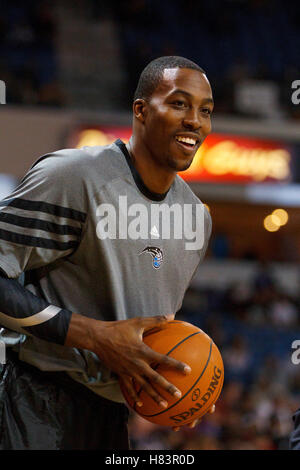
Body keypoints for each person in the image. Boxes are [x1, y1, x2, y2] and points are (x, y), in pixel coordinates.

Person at [0, 55, 214, 449]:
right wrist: (95, 336)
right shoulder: (74, 176)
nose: (194, 121)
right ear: (141, 110)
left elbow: (151, 334)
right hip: (33, 401)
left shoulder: (197, 220)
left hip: (112, 418)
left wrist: (182, 387)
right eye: (180, 103)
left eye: (205, 110)